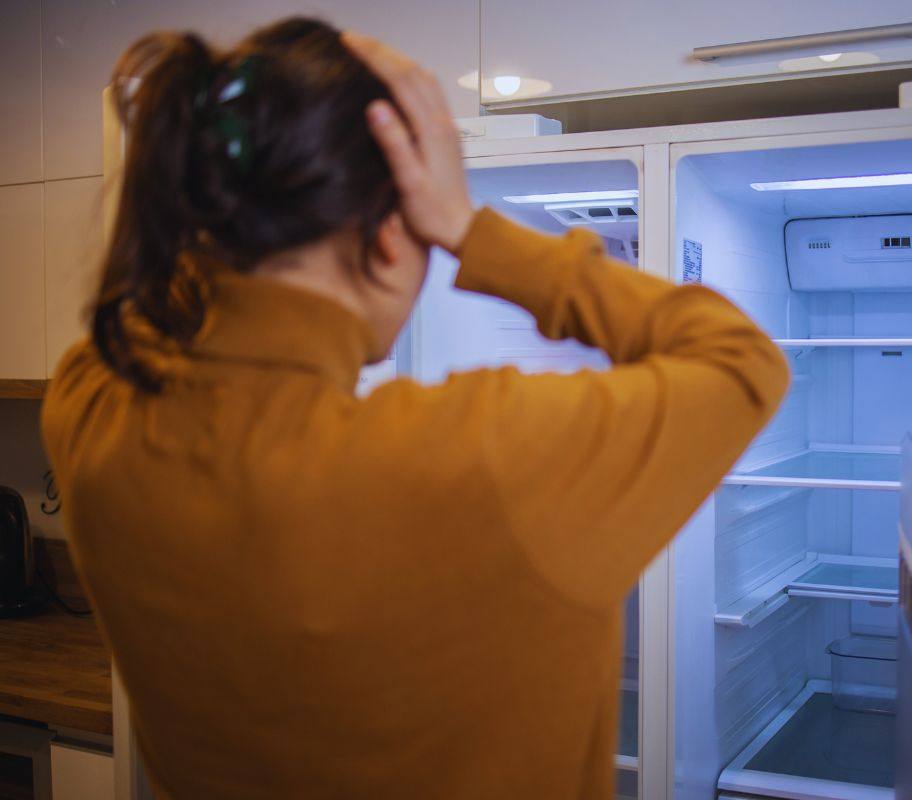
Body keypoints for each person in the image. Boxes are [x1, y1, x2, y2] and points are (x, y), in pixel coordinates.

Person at [41, 16, 788, 799]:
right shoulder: (485, 460)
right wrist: (468, 226)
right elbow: (738, 357)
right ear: (394, 232)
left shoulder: (93, 409)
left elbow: (161, 311)